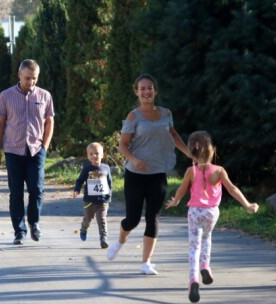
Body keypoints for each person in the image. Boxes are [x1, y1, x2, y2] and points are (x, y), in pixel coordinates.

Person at [106, 74, 190, 275]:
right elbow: (122, 145)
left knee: (153, 216)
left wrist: (189, 152)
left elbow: (173, 134)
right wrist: (134, 160)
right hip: (135, 174)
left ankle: (146, 262)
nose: (146, 92)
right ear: (136, 92)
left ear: (155, 91)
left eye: (149, 88)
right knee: (133, 219)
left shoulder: (165, 113)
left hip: (157, 172)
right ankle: (120, 239)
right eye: (142, 89)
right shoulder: (133, 116)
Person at [164, 131, 259, 303]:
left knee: (194, 248)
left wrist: (176, 201)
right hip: (211, 213)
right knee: (207, 238)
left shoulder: (190, 171)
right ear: (212, 151)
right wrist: (247, 204)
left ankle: (193, 280)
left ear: (192, 152)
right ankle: (205, 266)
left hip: (194, 212)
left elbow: (181, 190)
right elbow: (233, 189)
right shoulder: (219, 171)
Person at [0, 59, 55, 245]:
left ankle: (34, 223)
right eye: (27, 78)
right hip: (13, 150)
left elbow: (50, 121)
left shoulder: (44, 96)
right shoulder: (5, 96)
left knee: (37, 189)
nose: (31, 82)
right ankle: (19, 230)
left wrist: (45, 145)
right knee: (16, 192)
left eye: (34, 78)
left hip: (36, 150)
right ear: (19, 75)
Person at [72, 142, 112, 249]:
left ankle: (104, 238)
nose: (94, 156)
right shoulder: (86, 169)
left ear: (103, 154)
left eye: (97, 153)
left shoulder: (106, 168)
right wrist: (77, 190)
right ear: (88, 156)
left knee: (102, 219)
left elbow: (109, 183)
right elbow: (79, 180)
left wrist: (109, 196)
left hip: (103, 200)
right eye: (91, 154)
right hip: (89, 201)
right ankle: (84, 228)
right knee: (88, 218)